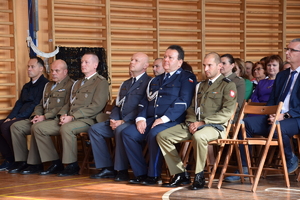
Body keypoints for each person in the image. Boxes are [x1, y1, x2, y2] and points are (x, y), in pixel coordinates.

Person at [10, 53, 109, 176]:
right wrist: (63, 114)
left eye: (86, 62)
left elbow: (96, 106)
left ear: (95, 65)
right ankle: (54, 162)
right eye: (82, 62)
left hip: (88, 119)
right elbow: (68, 103)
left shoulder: (101, 82)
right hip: (70, 118)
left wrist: (72, 117)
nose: (82, 65)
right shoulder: (78, 83)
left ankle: (71, 165)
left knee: (66, 128)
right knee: (39, 128)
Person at [157, 52, 237, 190]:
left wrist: (203, 123)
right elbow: (192, 107)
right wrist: (191, 122)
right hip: (195, 124)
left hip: (215, 127)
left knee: (199, 136)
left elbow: (227, 112)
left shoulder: (228, 85)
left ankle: (199, 176)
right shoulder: (200, 85)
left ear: (219, 66)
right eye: (204, 65)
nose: (205, 69)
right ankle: (180, 173)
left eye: (209, 65)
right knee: (163, 136)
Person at [225, 38, 300, 182]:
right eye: (287, 49)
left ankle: (291, 158)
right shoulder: (282, 75)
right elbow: (272, 99)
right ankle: (244, 168)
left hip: (295, 117)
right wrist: (271, 112)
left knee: (278, 127)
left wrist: (284, 115)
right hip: (276, 116)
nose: (287, 53)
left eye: (292, 50)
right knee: (243, 123)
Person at [122, 45, 197, 185]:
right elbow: (145, 101)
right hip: (152, 119)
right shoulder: (156, 80)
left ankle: (154, 175)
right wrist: (140, 118)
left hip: (173, 120)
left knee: (154, 133)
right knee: (128, 133)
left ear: (179, 62)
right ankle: (141, 173)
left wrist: (163, 119)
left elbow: (183, 102)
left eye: (170, 57)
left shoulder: (187, 78)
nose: (166, 60)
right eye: (165, 57)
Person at [88, 52, 152, 181]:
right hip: (118, 120)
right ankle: (106, 168)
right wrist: (114, 119)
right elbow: (117, 105)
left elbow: (144, 106)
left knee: (120, 130)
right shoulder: (126, 83)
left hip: (132, 122)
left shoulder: (149, 82)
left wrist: (123, 121)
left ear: (145, 66)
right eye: (131, 60)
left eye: (136, 60)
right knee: (94, 129)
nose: (132, 62)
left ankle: (121, 170)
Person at [8, 59, 74, 174]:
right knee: (16, 126)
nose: (53, 73)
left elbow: (65, 106)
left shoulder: (71, 85)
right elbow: (40, 104)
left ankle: (51, 162)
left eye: (57, 71)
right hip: (42, 117)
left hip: (56, 119)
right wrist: (37, 114)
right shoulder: (48, 85)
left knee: (37, 128)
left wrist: (45, 116)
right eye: (52, 70)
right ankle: (23, 161)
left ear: (65, 71)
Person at [0, 57, 48, 171]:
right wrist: (10, 117)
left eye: (32, 67)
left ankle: (21, 159)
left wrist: (17, 118)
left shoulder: (45, 84)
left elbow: (36, 104)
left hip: (30, 117)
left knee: (6, 126)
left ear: (41, 69)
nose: (29, 69)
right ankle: (10, 159)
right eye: (28, 67)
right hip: (19, 116)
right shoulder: (27, 85)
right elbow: (19, 103)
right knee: (2, 124)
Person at [220, 54, 245, 119]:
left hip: (230, 117)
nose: (221, 66)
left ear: (232, 65)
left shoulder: (239, 81)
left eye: (224, 63)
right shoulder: (217, 80)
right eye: (220, 63)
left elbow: (238, 105)